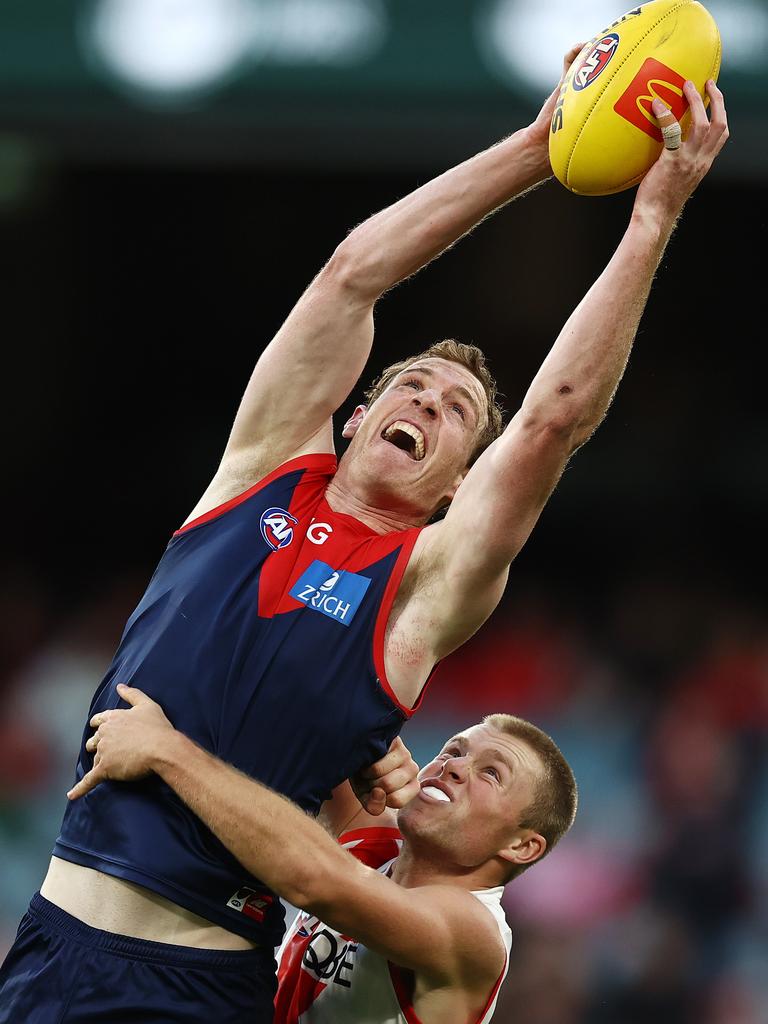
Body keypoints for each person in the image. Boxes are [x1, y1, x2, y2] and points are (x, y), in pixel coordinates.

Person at [0, 45, 728, 1022]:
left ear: (461, 478)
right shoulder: (256, 472)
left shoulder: (420, 587)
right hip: (47, 944)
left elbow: (555, 419)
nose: (426, 400)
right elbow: (352, 275)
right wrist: (535, 142)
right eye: (410, 385)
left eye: (457, 411)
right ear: (352, 414)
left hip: (183, 984)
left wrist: (651, 221)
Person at [68, 683, 579, 1024]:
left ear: (521, 844)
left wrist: (167, 749)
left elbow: (315, 881)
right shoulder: (379, 841)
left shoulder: (473, 932)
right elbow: (308, 707)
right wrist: (363, 744)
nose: (454, 765)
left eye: (491, 772)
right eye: (455, 749)